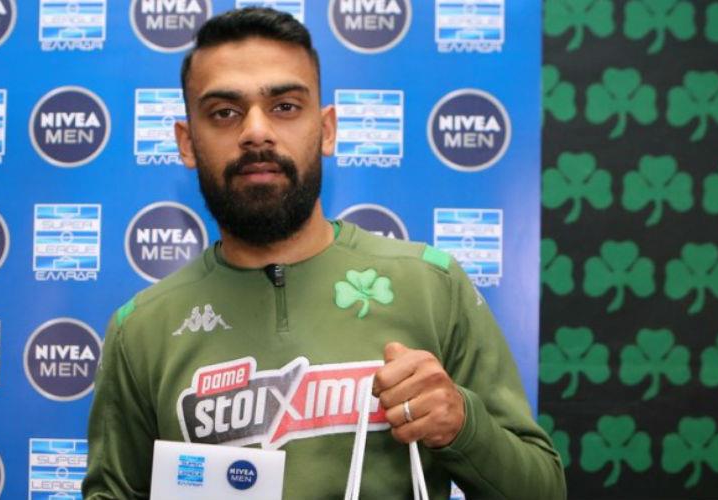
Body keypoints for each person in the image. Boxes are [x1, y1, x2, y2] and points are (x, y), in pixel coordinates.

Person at [83, 7, 565, 499]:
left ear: (327, 128)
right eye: (224, 112)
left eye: (285, 106)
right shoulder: (142, 329)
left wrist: (461, 425)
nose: (256, 131)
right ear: (187, 143)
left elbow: (544, 490)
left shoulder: (431, 286)